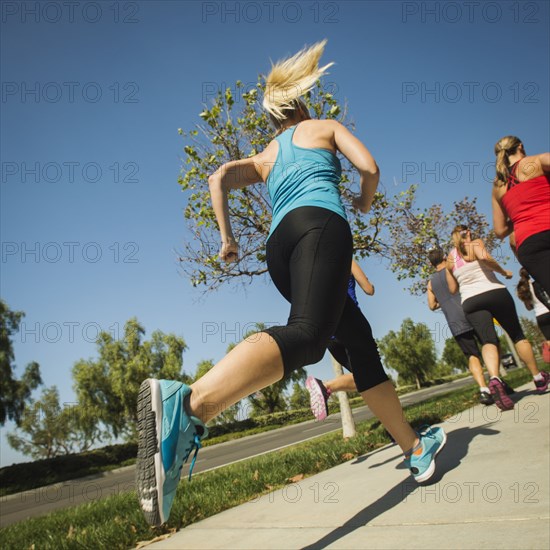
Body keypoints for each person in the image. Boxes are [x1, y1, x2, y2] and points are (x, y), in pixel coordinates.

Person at [136, 41, 446, 527]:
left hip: (280, 248)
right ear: (302, 104)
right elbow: (370, 167)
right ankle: (189, 403)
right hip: (322, 229)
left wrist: (228, 238)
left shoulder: (265, 156)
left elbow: (218, 177)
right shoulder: (324, 127)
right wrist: (364, 201)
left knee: (359, 346)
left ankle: (412, 447)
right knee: (307, 337)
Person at [445, 225, 549, 411]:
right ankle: (538, 378)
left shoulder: (450, 258)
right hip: (494, 292)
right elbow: (485, 257)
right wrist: (503, 272)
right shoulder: (475, 243)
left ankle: (494, 378)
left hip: (470, 300)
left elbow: (452, 289)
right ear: (467, 233)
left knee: (488, 341)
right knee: (517, 334)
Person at [427, 247, 501, 406]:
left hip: (455, 322)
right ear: (445, 257)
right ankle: (497, 380)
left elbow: (431, 305)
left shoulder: (430, 283)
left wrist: (444, 301)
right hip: (472, 311)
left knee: (471, 355)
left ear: (431, 263)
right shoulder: (453, 271)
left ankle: (484, 390)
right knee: (490, 343)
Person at [305, 259, 374, 421]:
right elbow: (369, 289)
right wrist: (370, 284)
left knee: (366, 381)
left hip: (328, 334)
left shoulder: (313, 265)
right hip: (351, 325)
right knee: (373, 377)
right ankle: (326, 386)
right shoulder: (347, 259)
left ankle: (393, 431)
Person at [492, 136, 550, 296]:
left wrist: (518, 217)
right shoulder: (536, 161)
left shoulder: (498, 185)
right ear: (521, 146)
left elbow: (500, 230)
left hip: (529, 246)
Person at [517, 267, 550, 363]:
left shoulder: (524, 288)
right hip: (548, 311)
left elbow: (529, 308)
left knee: (549, 340)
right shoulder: (539, 283)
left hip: (539, 316)